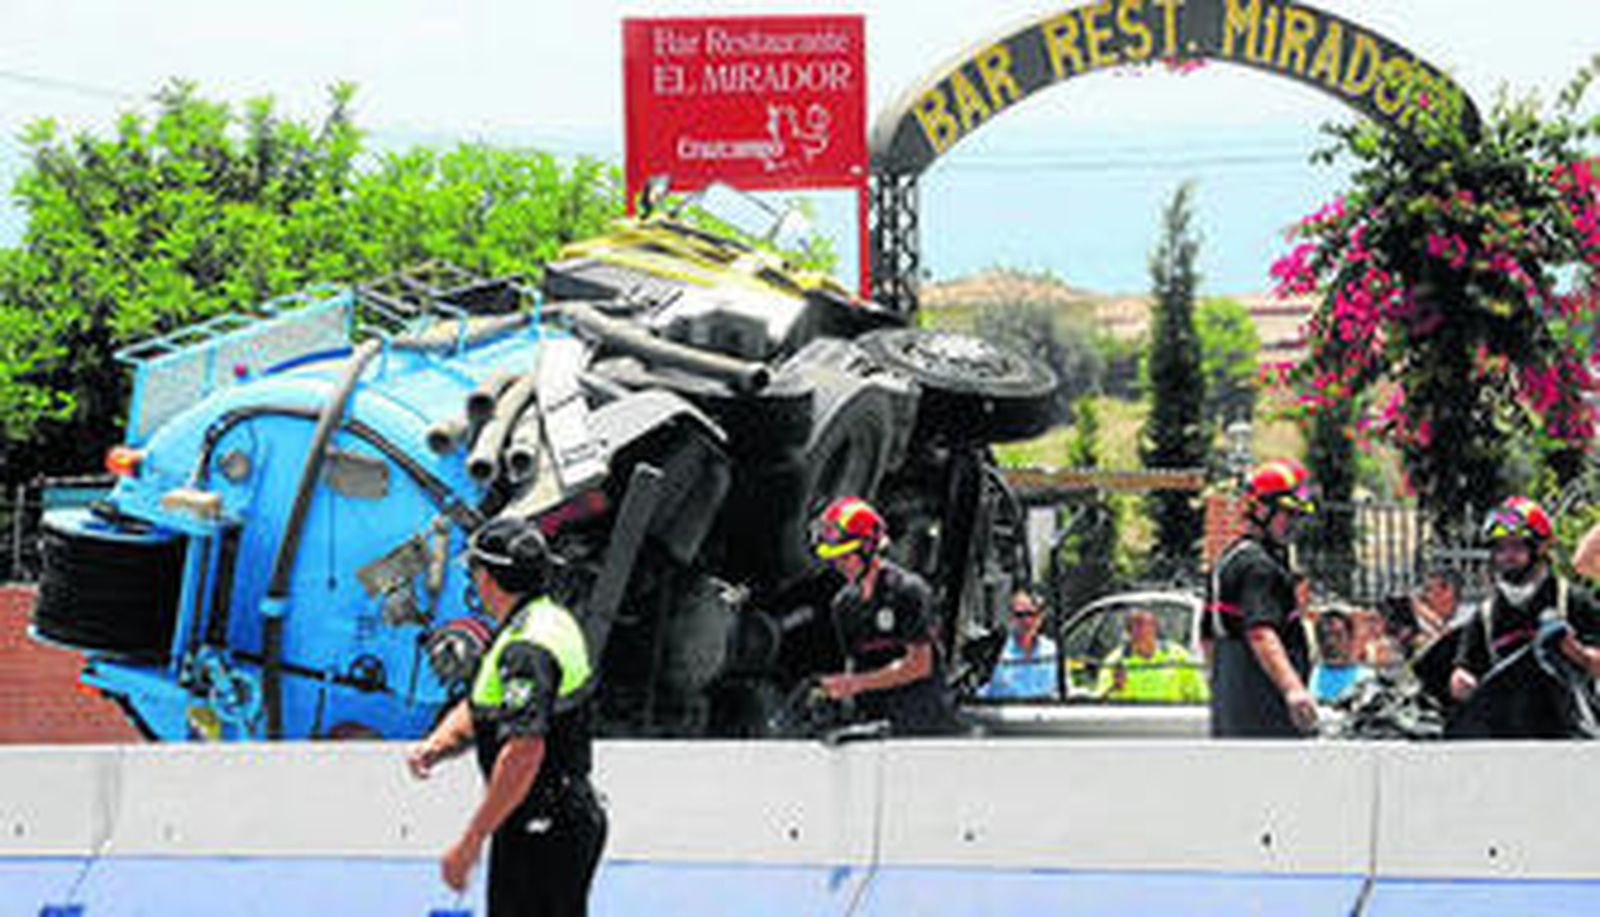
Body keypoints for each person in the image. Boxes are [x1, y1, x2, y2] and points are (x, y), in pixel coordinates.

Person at [407, 517, 606, 916]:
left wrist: (472, 840)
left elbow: (524, 751)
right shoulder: (541, 619)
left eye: (474, 570)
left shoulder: (526, 649)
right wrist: (438, 745)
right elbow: (483, 698)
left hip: (543, 826)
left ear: (486, 579)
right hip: (551, 818)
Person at [811, 496, 960, 735]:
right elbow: (854, 664)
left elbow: (920, 665)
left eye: (846, 556)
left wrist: (855, 684)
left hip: (920, 727)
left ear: (869, 548)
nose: (840, 565)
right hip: (873, 726)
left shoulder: (908, 591)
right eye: (835, 559)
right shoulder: (844, 605)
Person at [1449, 497, 1600, 709]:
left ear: (1540, 548)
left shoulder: (1572, 600)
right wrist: (1463, 682)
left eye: (1516, 546)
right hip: (1509, 732)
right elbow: (1463, 671)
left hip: (1570, 732)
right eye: (1500, 548)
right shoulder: (1485, 615)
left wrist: (1578, 654)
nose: (1506, 557)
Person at [1207, 458, 1319, 737]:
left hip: (1234, 710)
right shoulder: (1259, 567)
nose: (1293, 524)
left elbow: (1209, 639)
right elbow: (1260, 632)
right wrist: (1293, 690)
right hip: (1265, 713)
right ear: (1259, 508)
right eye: (1286, 514)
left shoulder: (1230, 558)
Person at [1095, 608, 1208, 703]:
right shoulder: (1114, 662)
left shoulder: (1178, 656)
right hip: (1131, 724)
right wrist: (1115, 687)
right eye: (1136, 627)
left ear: (1155, 628)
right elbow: (1101, 703)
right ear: (1129, 632)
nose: (1143, 633)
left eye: (1147, 626)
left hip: (1172, 723)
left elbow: (1200, 695)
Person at [981, 589, 1059, 700]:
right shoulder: (995, 651)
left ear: (1040, 618)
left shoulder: (1052, 651)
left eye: (1031, 614)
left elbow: (1064, 691)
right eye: (1020, 615)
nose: (1026, 621)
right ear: (1011, 618)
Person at [1308, 609, 1372, 703]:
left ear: (1350, 638)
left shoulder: (1366, 678)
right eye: (1324, 636)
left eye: (1338, 636)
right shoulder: (1308, 676)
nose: (1331, 643)